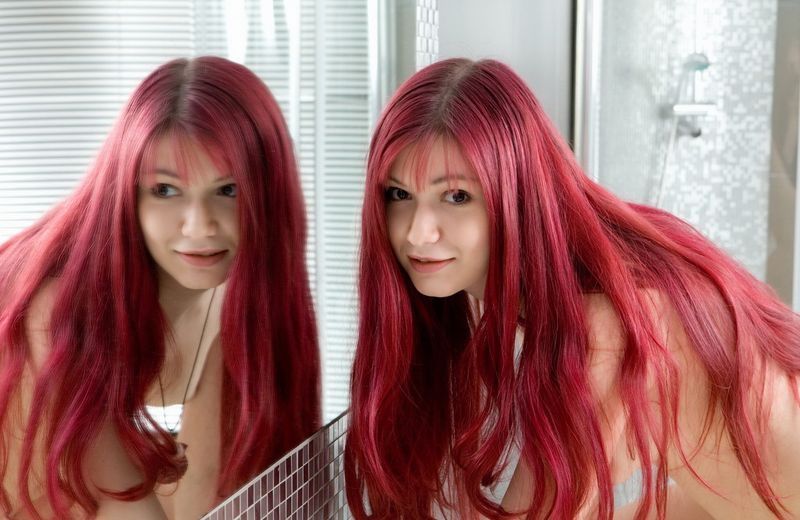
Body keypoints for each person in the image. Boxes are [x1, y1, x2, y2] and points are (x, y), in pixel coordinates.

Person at [344, 58, 800, 519]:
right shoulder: (602, 277)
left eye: (456, 196)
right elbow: (718, 487)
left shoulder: (608, 320)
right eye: (399, 194)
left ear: (517, 194)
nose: (418, 233)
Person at [0, 56, 320, 519]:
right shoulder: (54, 308)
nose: (200, 226)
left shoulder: (239, 297)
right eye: (166, 190)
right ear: (126, 192)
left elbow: (214, 496)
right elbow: (119, 505)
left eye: (228, 190)